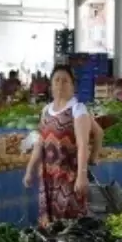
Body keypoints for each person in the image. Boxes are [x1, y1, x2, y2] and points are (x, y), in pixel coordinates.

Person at [23, 65, 98, 225]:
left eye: (65, 81)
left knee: (70, 222)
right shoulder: (46, 110)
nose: (60, 85)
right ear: (51, 86)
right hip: (48, 175)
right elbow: (40, 143)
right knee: (49, 222)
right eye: (56, 80)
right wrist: (30, 170)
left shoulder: (78, 110)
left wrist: (82, 175)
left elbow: (83, 144)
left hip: (69, 175)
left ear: (73, 85)